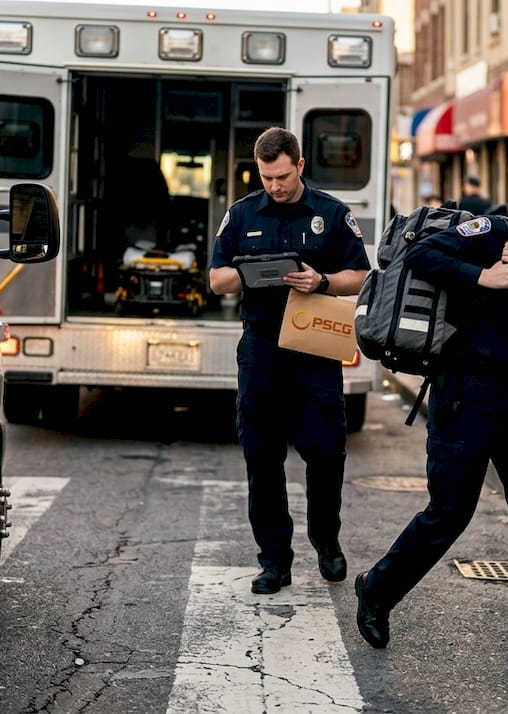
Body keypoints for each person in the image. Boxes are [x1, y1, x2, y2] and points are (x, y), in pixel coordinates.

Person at [353, 165, 508, 672]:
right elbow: (420, 253)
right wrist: (481, 275)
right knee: (450, 512)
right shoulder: (494, 232)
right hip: (465, 393)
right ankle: (377, 589)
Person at [208, 127, 371, 594]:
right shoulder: (241, 214)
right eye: (265, 177)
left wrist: (321, 281)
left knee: (324, 452)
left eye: (281, 176)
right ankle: (274, 561)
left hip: (315, 348)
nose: (274, 186)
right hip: (262, 350)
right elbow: (217, 279)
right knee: (262, 457)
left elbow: (360, 276)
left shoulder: (331, 214)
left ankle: (326, 539)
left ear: (299, 166)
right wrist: (252, 274)